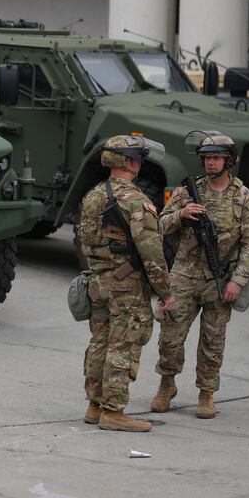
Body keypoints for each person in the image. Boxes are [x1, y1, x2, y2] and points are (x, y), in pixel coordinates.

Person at [151, 133, 249, 419]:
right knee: (170, 335)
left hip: (220, 277)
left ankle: (206, 394)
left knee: (213, 341)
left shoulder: (242, 196)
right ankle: (167, 384)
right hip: (185, 273)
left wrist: (239, 280)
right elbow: (159, 225)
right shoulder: (187, 191)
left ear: (229, 161)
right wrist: (181, 214)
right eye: (207, 158)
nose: (211, 163)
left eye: (216, 158)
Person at [77, 135, 174, 432]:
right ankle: (113, 411)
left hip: (98, 282)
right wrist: (165, 291)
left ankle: (94, 405)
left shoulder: (93, 196)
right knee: (123, 347)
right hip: (126, 287)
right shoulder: (136, 200)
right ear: (131, 162)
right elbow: (151, 252)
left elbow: (84, 239)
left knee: (99, 344)